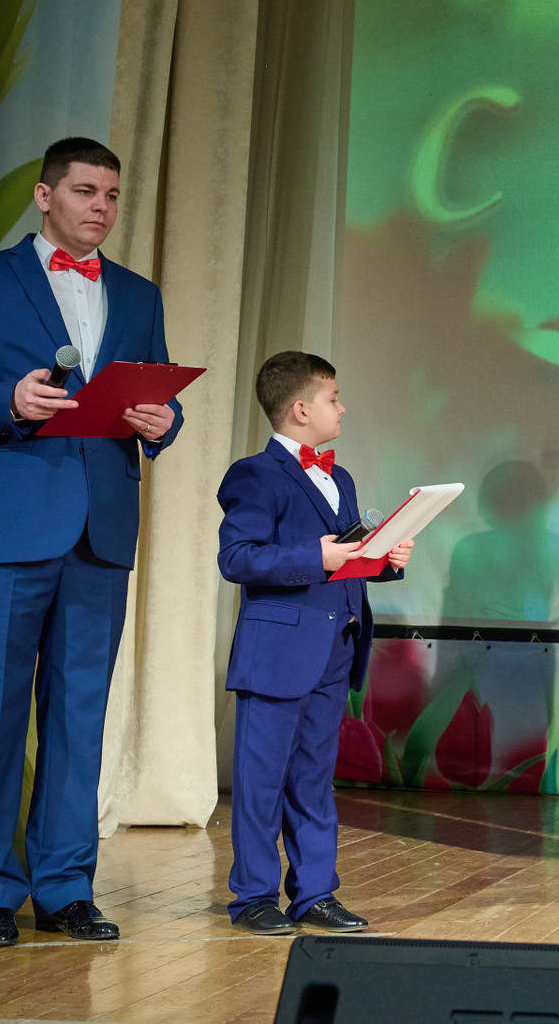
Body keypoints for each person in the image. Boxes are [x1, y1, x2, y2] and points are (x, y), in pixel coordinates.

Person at [0, 139, 182, 948]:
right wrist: (6, 399)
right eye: (84, 190)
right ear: (44, 196)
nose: (101, 206)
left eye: (111, 194)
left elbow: (158, 392)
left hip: (100, 528)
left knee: (79, 713)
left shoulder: (138, 293)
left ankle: (66, 885)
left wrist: (163, 420)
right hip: (8, 526)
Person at [216, 352, 413, 934]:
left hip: (334, 646)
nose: (342, 408)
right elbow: (237, 558)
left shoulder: (339, 477)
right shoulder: (255, 474)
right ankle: (253, 897)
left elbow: (344, 558)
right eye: (333, 398)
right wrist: (315, 555)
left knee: (312, 779)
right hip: (278, 651)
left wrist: (383, 559)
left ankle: (314, 894)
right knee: (261, 782)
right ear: (301, 409)